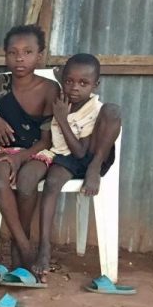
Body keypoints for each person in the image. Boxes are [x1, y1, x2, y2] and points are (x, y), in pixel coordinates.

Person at [0, 24, 58, 272]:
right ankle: (24, 247)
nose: (20, 58)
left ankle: (20, 249)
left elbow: (47, 139)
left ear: (39, 55)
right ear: (5, 55)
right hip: (9, 152)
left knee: (27, 181)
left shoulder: (49, 89)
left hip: (39, 151)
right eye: (13, 52)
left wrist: (21, 159)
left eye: (28, 52)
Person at [31, 54, 121, 281]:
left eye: (83, 83)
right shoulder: (60, 100)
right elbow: (55, 74)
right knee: (52, 183)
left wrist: (62, 119)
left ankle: (94, 169)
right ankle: (44, 247)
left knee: (113, 110)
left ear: (95, 84)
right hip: (66, 157)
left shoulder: (93, 109)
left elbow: (81, 152)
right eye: (69, 81)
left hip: (92, 154)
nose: (74, 87)